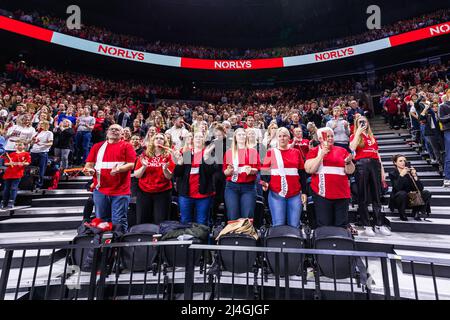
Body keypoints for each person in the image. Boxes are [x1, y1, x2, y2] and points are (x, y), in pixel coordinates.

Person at [83, 124, 136, 232]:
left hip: (120, 190)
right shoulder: (97, 146)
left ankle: (119, 246)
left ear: (122, 134)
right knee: (102, 222)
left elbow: (131, 165)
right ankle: (104, 247)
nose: (114, 131)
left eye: (117, 129)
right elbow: (89, 165)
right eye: (111, 129)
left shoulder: (127, 146)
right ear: (107, 132)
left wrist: (119, 169)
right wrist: (89, 171)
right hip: (101, 190)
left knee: (119, 221)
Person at [305, 127, 354, 228]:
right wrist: (321, 155)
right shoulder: (314, 151)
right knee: (325, 225)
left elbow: (350, 171)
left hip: (342, 194)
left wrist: (349, 162)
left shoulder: (342, 150)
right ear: (320, 138)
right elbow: (309, 170)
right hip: (322, 194)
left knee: (341, 225)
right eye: (327, 136)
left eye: (332, 136)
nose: (330, 138)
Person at [350, 117, 390, 236]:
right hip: (362, 164)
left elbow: (378, 154)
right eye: (360, 122)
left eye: (365, 121)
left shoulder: (372, 137)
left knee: (377, 195)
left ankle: (379, 224)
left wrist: (382, 170)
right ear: (357, 124)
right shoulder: (354, 136)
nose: (363, 123)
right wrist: (357, 132)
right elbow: (352, 148)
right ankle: (367, 225)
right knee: (363, 195)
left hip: (375, 164)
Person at [261, 127, 307, 228]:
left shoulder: (296, 152)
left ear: (289, 138)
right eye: (280, 136)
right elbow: (264, 172)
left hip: (295, 194)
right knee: (278, 224)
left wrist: (304, 192)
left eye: (285, 136)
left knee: (294, 225)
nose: (282, 138)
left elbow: (302, 173)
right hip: (276, 194)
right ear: (277, 138)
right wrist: (265, 184)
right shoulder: (271, 152)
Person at [173, 131, 216, 226]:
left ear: (204, 140)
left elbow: (211, 172)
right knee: (185, 221)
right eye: (196, 137)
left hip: (203, 195)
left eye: (201, 137)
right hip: (186, 194)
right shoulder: (187, 153)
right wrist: (179, 163)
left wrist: (206, 157)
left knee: (202, 222)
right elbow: (177, 174)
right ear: (192, 139)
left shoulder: (209, 153)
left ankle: (201, 241)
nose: (198, 139)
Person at [133, 133, 176, 224]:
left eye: (161, 138)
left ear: (165, 142)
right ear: (152, 141)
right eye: (156, 138)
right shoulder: (144, 155)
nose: (159, 140)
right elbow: (137, 175)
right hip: (144, 191)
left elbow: (169, 176)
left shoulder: (169, 156)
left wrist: (165, 169)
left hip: (162, 192)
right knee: (142, 220)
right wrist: (144, 166)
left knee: (160, 220)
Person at [223, 128, 260, 220]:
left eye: (243, 134)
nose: (242, 136)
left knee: (247, 217)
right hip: (232, 187)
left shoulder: (252, 152)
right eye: (239, 134)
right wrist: (229, 171)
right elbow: (225, 172)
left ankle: (246, 234)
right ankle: (234, 234)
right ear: (235, 137)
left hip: (248, 187)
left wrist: (251, 170)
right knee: (232, 216)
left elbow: (257, 169)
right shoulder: (229, 152)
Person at [388, 154, 432, 221]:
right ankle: (402, 214)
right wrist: (401, 175)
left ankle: (416, 212)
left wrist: (415, 176)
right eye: (400, 161)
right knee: (402, 193)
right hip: (399, 199)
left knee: (426, 193)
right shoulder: (392, 173)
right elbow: (397, 188)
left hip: (411, 199)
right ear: (395, 163)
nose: (403, 162)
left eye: (404, 161)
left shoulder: (410, 172)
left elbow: (420, 188)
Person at [1, 140, 31, 209]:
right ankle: (4, 203)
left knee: (14, 188)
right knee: (6, 189)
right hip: (8, 173)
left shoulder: (26, 154)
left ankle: (11, 203)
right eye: (16, 144)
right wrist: (11, 163)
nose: (18, 146)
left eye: (20, 144)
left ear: (24, 146)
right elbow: (5, 163)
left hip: (17, 173)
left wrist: (22, 163)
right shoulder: (11, 154)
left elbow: (28, 162)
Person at [30, 121, 54, 190]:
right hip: (34, 151)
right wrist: (32, 140)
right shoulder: (36, 133)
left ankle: (39, 184)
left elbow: (50, 143)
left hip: (42, 152)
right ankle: (30, 183)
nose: (39, 125)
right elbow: (32, 143)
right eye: (39, 124)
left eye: (41, 124)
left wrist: (42, 145)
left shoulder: (49, 133)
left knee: (41, 169)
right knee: (31, 168)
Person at [438, 93, 450, 187]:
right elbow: (441, 118)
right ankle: (447, 178)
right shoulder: (443, 106)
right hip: (448, 131)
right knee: (449, 155)